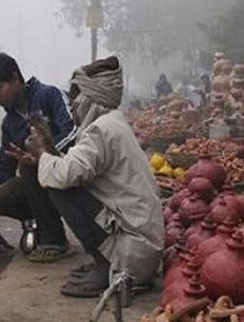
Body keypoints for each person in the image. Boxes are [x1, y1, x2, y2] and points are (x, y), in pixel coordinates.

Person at [24, 56, 164, 297]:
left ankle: (106, 265)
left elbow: (65, 175)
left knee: (59, 187)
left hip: (132, 256)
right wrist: (48, 145)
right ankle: (105, 259)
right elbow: (75, 165)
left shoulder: (102, 130)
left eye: (76, 98)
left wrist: (42, 152)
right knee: (59, 177)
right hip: (142, 248)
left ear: (91, 98)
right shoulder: (113, 123)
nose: (73, 105)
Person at [0, 52, 77, 261]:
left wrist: (44, 154)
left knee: (29, 166)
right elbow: (5, 166)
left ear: (14, 78)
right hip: (43, 183)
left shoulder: (50, 95)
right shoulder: (9, 124)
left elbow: (73, 132)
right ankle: (39, 223)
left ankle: (54, 241)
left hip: (73, 171)